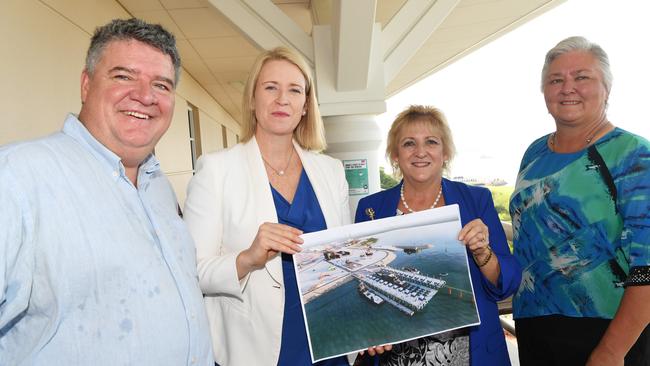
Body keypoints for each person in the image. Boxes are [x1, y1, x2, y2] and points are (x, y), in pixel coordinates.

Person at [0, 18, 213, 364]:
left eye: (161, 85)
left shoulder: (157, 184)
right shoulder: (17, 178)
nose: (145, 96)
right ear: (86, 84)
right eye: (124, 76)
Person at [183, 46, 352, 366]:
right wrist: (248, 258)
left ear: (305, 105)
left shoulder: (330, 171)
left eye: (294, 90)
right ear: (252, 99)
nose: (282, 99)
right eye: (270, 87)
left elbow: (345, 257)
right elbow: (194, 272)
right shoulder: (216, 171)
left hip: (328, 342)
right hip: (254, 350)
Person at [509, 36, 650, 366]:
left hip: (609, 333)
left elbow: (647, 267)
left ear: (607, 88)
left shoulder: (634, 154)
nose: (567, 88)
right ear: (544, 92)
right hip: (534, 328)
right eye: (555, 80)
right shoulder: (534, 153)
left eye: (581, 77)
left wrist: (612, 351)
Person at [355, 105, 521, 366]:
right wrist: (368, 331)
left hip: (468, 353)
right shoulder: (370, 208)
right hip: (396, 357)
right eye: (409, 143)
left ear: (445, 153)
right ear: (395, 155)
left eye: (431, 142)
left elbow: (505, 285)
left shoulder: (477, 200)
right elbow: (361, 286)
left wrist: (482, 253)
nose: (420, 152)